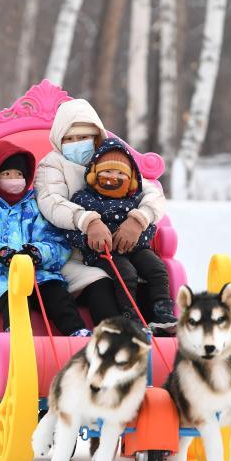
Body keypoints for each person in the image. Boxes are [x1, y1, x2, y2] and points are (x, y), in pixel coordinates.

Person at [34, 98, 169, 325]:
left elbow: (151, 193)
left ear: (96, 137)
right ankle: (118, 336)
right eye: (69, 139)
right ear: (59, 140)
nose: (76, 144)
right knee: (105, 281)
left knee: (148, 271)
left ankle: (159, 325)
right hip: (75, 251)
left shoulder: (112, 159)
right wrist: (87, 221)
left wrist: (139, 219)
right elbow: (51, 201)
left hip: (121, 245)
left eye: (83, 137)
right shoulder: (52, 164)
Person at [0, 140, 91, 337]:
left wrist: (37, 252)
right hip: (2, 278)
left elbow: (57, 241)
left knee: (57, 295)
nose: (14, 179)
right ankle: (17, 336)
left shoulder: (34, 206)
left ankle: (77, 333)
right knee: (14, 299)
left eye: (19, 174)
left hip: (40, 274)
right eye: (7, 174)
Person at [66, 138, 177, 332]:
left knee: (156, 268)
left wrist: (135, 237)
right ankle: (130, 315)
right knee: (126, 273)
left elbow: (149, 227)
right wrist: (89, 241)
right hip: (103, 253)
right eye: (107, 171)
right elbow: (72, 229)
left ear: (130, 179)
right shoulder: (84, 198)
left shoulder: (134, 199)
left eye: (120, 173)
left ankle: (162, 311)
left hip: (136, 248)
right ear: (94, 175)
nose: (113, 177)